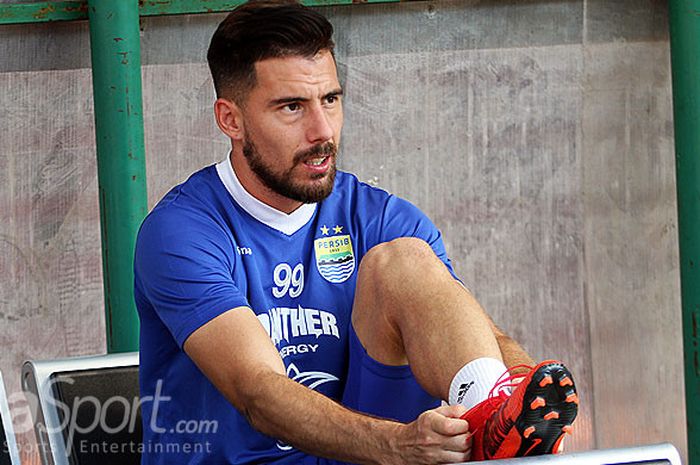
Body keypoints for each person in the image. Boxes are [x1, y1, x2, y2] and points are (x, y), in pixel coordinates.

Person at [133, 1, 579, 464]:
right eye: (292, 107)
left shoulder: (381, 218)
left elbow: (475, 332)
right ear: (231, 120)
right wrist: (397, 446)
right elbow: (256, 393)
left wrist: (527, 397)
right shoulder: (181, 232)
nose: (322, 130)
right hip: (340, 453)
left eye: (330, 99)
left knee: (403, 261)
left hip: (367, 456)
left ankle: (493, 414)